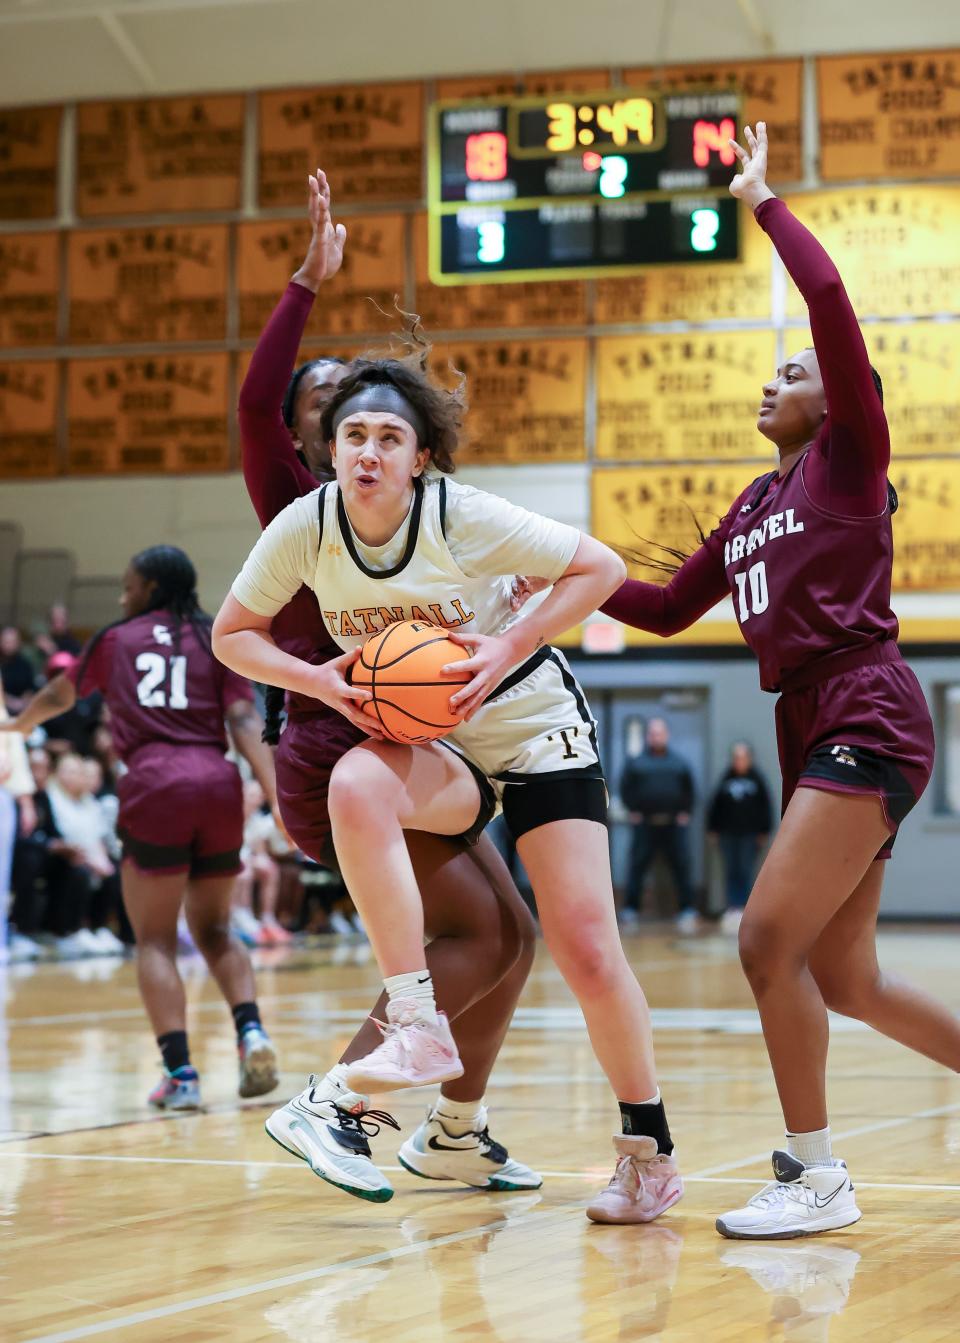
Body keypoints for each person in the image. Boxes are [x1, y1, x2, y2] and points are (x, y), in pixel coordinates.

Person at [215, 171, 684, 1226]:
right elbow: (231, 635)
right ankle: (414, 1025)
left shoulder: (459, 514)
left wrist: (508, 637)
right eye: (351, 435)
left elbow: (601, 566)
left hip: (529, 722)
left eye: (389, 435)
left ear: (419, 455)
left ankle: (643, 1142)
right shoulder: (301, 522)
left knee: (573, 941)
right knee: (356, 789)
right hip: (435, 744)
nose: (369, 449)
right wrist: (320, 677)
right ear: (325, 451)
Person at [599, 123, 952, 1239]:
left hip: (869, 703)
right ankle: (818, 1168)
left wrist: (764, 205)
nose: (773, 375)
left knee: (763, 942)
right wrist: (551, 575)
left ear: (833, 402)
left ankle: (813, 1173)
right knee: (845, 977)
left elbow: (834, 306)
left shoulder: (851, 465)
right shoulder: (755, 504)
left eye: (790, 371)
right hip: (807, 719)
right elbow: (658, 608)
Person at [237, 170, 541, 1203]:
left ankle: (458, 1128)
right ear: (307, 436)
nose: (352, 426)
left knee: (517, 934)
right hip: (335, 750)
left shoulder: (417, 513)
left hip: (414, 744)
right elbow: (250, 401)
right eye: (326, 408)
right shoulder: (298, 504)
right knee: (478, 932)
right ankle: (337, 1105)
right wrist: (304, 286)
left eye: (368, 412)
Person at [2, 545, 281, 1109]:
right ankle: (251, 1031)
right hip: (217, 783)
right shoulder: (216, 636)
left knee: (154, 939)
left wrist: (16, 722)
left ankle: (181, 1074)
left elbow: (62, 693)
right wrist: (278, 798)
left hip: (155, 784)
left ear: (150, 587)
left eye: (128, 585)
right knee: (218, 931)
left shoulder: (115, 639)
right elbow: (246, 718)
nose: (121, 595)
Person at [619, 717, 697, 933]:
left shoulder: (679, 762)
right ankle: (631, 909)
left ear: (667, 735)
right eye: (652, 733)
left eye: (659, 733)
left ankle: (687, 908)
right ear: (648, 737)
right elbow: (625, 789)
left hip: (673, 825)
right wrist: (632, 810)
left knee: (681, 866)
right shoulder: (636, 763)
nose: (656, 736)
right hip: (645, 825)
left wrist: (685, 812)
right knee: (637, 866)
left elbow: (689, 790)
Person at [707, 742, 771, 934]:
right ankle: (733, 907)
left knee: (745, 869)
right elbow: (715, 806)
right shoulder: (726, 779)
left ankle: (744, 907)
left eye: (743, 757)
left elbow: (766, 807)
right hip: (728, 834)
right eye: (736, 757)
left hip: (749, 835)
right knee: (731, 869)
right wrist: (713, 829)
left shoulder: (757, 780)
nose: (739, 761)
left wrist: (764, 831)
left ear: (749, 759)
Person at [1, 627, 37, 714]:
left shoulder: (25, 665)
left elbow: (30, 688)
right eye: (6, 642)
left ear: (18, 643)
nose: (9, 645)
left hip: (22, 710)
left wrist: (23, 702)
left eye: (12, 642)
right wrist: (12, 703)